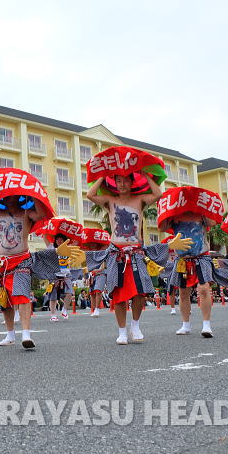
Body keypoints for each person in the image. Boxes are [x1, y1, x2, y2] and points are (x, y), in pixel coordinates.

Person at [0, 168, 83, 349]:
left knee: (22, 296)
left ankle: (26, 334)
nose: (9, 198)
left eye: (13, 195)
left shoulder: (27, 214)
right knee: (5, 300)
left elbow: (41, 214)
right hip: (3, 263)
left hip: (22, 261)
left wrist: (31, 196)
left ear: (19, 197)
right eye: (6, 196)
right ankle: (10, 334)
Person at [85, 146, 186, 345]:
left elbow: (157, 194)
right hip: (117, 253)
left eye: (126, 180)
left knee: (140, 293)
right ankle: (122, 331)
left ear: (132, 182)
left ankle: (136, 325)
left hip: (137, 253)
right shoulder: (110, 200)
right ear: (114, 183)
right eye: (118, 180)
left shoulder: (140, 200)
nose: (122, 184)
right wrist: (103, 176)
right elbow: (90, 195)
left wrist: (144, 174)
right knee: (118, 294)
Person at [157, 187, 227, 337]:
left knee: (203, 289)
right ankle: (185, 325)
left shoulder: (201, 214)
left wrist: (205, 209)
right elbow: (162, 227)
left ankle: (206, 325)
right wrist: (168, 213)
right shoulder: (174, 216)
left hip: (201, 257)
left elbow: (214, 221)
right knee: (183, 293)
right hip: (182, 259)